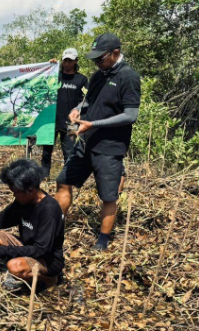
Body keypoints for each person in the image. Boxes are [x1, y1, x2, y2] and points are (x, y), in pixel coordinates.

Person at [55, 33, 141, 251]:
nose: (96, 63)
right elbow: (89, 101)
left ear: (115, 53)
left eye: (100, 59)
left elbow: (131, 115)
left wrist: (95, 124)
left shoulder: (128, 77)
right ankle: (55, 225)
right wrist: (77, 110)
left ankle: (102, 241)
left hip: (109, 148)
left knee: (108, 196)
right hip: (85, 142)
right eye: (94, 60)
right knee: (63, 181)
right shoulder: (98, 75)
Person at [0, 159, 64, 291]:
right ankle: (8, 271)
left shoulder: (50, 209)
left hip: (47, 259)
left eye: (16, 192)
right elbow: (1, 219)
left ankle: (50, 279)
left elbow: (40, 249)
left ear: (30, 190)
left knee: (15, 267)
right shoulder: (22, 202)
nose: (14, 196)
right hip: (27, 247)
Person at [42, 48, 88, 177]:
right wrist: (49, 67)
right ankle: (44, 178)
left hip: (71, 123)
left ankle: (67, 179)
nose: (67, 63)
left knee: (69, 152)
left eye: (70, 61)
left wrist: (79, 113)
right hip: (50, 122)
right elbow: (42, 82)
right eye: (65, 60)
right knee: (46, 153)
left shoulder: (82, 79)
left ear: (76, 61)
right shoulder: (55, 76)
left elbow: (86, 99)